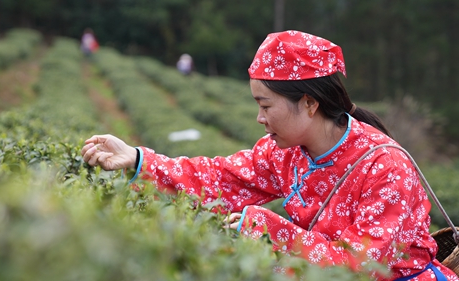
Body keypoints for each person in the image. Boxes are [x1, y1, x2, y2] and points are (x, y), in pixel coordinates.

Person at [81, 30, 457, 281]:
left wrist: (270, 228)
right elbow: (219, 179)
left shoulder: (385, 167)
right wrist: (136, 158)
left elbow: (363, 266)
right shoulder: (285, 152)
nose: (259, 118)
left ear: (309, 103)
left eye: (265, 105)